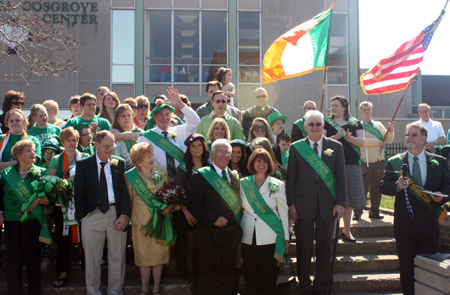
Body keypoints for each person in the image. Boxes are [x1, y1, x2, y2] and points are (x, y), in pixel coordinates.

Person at [379, 122, 450, 295]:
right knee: (407, 270)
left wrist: (442, 196)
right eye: (407, 134)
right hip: (405, 226)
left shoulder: (439, 162)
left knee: (430, 271)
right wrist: (396, 186)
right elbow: (382, 186)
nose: (409, 138)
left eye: (414, 135)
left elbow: (448, 186)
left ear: (424, 139)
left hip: (429, 225)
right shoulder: (395, 162)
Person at [287, 110, 346, 295]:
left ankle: (321, 283)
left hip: (328, 206)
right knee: (303, 247)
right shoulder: (296, 147)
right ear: (304, 127)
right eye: (310, 124)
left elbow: (341, 179)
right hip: (302, 205)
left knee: (324, 247)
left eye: (318, 124)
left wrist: (340, 203)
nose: (314, 127)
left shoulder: (336, 147)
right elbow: (291, 179)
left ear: (323, 126)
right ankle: (304, 283)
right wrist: (291, 204)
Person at [74, 130, 130, 295]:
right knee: (92, 258)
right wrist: (83, 217)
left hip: (115, 213)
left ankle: (115, 291)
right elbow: (79, 193)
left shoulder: (119, 163)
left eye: (112, 146)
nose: (109, 149)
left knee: (117, 257)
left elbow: (124, 192)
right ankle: (93, 292)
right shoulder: (84, 164)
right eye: (106, 146)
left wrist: (125, 214)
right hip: (92, 214)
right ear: (96, 144)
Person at [186, 139, 242, 295]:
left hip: (229, 235)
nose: (224, 155)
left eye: (227, 152)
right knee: (205, 276)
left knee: (227, 275)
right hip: (208, 235)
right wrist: (213, 218)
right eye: (220, 152)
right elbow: (192, 204)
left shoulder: (235, 176)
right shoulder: (201, 175)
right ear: (212, 154)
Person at [0, 140, 50, 295]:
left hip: (32, 222)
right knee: (13, 262)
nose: (33, 153)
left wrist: (38, 200)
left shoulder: (41, 173)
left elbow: (50, 199)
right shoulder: (5, 174)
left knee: (33, 261)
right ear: (18, 155)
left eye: (34, 150)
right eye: (29, 151)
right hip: (11, 223)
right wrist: (0, 212)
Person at [125, 142, 174, 295]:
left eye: (152, 155)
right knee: (143, 257)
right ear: (138, 162)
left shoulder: (161, 171)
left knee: (159, 256)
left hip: (160, 219)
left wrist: (170, 206)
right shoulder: (130, 176)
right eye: (148, 157)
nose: (152, 159)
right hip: (140, 222)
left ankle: (156, 289)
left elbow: (171, 194)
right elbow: (128, 201)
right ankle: (145, 289)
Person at [240, 148, 289, 295]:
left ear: (269, 164)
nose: (261, 164)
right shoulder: (243, 183)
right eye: (258, 161)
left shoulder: (277, 184)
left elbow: (283, 212)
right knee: (249, 274)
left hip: (270, 236)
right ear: (252, 163)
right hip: (247, 235)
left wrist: (286, 238)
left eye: (265, 161)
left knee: (268, 275)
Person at [48, 127, 89, 288]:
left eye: (75, 140)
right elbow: (50, 181)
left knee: (86, 238)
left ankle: (88, 271)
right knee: (63, 240)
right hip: (62, 205)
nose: (72, 143)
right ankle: (63, 272)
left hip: (81, 204)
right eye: (69, 140)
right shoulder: (56, 159)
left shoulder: (85, 157)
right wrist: (67, 182)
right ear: (62, 142)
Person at [323, 96, 365, 242]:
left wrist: (349, 138)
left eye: (336, 105)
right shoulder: (326, 123)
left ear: (344, 107)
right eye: (332, 105)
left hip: (352, 166)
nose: (333, 108)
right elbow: (321, 143)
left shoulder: (355, 123)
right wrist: (335, 137)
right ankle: (333, 232)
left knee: (349, 201)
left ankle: (347, 231)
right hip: (332, 166)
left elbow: (361, 141)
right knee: (335, 199)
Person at [139, 87, 200, 181]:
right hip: (158, 183)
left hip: (183, 181)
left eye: (167, 114)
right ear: (155, 118)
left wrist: (181, 105)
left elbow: (195, 121)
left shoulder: (180, 130)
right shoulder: (146, 137)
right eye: (161, 114)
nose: (165, 118)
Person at [174, 134, 210, 292]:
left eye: (199, 146)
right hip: (188, 214)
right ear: (188, 149)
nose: (197, 149)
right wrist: (186, 212)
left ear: (204, 147)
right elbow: (177, 191)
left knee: (207, 248)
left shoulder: (210, 164)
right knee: (191, 247)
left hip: (207, 213)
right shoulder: (182, 168)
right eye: (193, 146)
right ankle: (193, 279)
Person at [354, 101, 395, 220]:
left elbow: (388, 140)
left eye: (369, 109)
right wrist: (377, 142)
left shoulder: (379, 125)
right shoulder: (358, 125)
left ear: (372, 111)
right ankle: (357, 211)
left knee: (377, 188)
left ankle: (374, 211)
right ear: (361, 112)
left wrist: (390, 130)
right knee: (362, 187)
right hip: (365, 160)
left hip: (379, 160)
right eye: (365, 109)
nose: (367, 111)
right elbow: (361, 142)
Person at [39, 139, 60, 272]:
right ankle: (46, 257)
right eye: (46, 152)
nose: (48, 155)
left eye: (52, 153)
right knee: (45, 224)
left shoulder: (59, 166)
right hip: (45, 203)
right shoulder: (38, 168)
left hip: (59, 201)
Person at [111, 104, 143, 169]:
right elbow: (122, 136)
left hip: (139, 168)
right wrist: (139, 133)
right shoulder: (114, 131)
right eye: (123, 116)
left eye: (129, 115)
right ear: (117, 119)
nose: (127, 118)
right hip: (120, 169)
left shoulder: (139, 131)